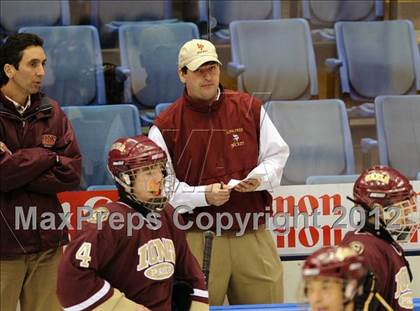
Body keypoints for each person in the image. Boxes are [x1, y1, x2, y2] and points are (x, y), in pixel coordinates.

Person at [149, 39, 290, 305]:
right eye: (199, 70)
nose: (207, 76)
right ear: (182, 74)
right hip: (196, 238)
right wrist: (204, 196)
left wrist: (257, 179)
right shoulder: (165, 127)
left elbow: (278, 155)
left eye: (212, 68)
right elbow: (161, 191)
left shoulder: (250, 108)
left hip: (252, 234)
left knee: (267, 309)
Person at [57, 135, 209, 311]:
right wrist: (124, 307)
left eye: (160, 169)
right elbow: (72, 280)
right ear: (125, 179)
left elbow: (189, 270)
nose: (159, 177)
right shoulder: (107, 221)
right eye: (149, 171)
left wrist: (198, 305)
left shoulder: (168, 213)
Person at [0, 33, 82, 311]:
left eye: (43, 63)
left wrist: (17, 164)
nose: (41, 72)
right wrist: (48, 156)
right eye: (33, 64)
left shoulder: (53, 112)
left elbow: (72, 172)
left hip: (47, 241)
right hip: (3, 247)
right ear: (9, 70)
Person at [340, 165, 419, 310]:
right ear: (378, 210)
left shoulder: (383, 241)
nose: (407, 215)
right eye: (402, 207)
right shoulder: (364, 252)